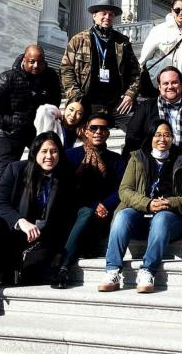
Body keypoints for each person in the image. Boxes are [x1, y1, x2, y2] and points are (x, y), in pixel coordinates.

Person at [0, 132, 73, 321]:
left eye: (54, 151)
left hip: (42, 239)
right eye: (44, 151)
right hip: (14, 233)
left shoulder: (65, 178)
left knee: (30, 275)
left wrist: (60, 250)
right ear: (35, 153)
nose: (49, 156)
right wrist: (21, 221)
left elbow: (66, 219)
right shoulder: (16, 170)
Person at [97, 120, 182, 294]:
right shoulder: (137, 158)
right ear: (151, 137)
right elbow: (125, 190)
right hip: (140, 217)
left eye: (167, 134)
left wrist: (170, 202)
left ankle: (147, 271)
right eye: (157, 134)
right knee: (123, 215)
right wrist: (148, 203)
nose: (162, 138)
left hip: (169, 221)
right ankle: (112, 271)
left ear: (172, 138)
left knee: (162, 217)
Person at [53, 113, 127, 289]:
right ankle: (63, 267)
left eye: (103, 128)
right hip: (74, 211)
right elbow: (67, 189)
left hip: (103, 215)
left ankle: (66, 264)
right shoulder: (70, 156)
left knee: (91, 215)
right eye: (93, 128)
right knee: (85, 212)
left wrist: (104, 205)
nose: (98, 132)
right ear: (85, 131)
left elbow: (122, 190)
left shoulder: (116, 160)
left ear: (108, 133)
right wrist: (95, 205)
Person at [0, 45, 62, 185]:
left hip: (35, 130)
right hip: (8, 132)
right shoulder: (8, 77)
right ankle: (0, 203)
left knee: (41, 164)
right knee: (7, 169)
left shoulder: (50, 76)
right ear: (24, 60)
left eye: (40, 62)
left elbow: (55, 100)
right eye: (32, 62)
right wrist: (8, 122)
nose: (36, 65)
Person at [60, 0, 140, 131]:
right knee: (79, 133)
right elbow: (66, 69)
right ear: (94, 15)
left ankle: (131, 152)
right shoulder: (78, 40)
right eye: (104, 13)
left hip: (117, 102)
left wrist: (130, 94)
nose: (107, 17)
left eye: (111, 14)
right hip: (87, 101)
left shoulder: (122, 41)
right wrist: (75, 95)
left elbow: (136, 72)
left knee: (137, 128)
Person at [124, 66, 182, 172]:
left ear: (181, 85)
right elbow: (132, 138)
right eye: (165, 83)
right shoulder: (146, 107)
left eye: (174, 82)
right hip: (152, 169)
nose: (170, 87)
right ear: (159, 87)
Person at [139, 0, 182, 97]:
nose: (181, 13)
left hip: (179, 87)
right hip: (156, 84)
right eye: (177, 10)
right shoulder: (159, 29)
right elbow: (144, 57)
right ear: (172, 11)